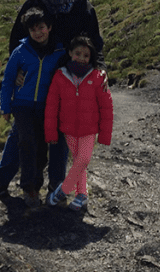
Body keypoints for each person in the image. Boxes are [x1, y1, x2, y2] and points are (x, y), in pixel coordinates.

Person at [0, 0, 104, 199]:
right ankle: (1, 179)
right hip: (35, 77)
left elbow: (95, 43)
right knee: (22, 132)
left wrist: (99, 72)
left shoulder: (83, 5)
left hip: (69, 80)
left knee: (59, 132)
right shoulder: (36, 1)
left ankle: (56, 188)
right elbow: (17, 38)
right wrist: (16, 69)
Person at [0, 8, 67, 206]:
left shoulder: (59, 52)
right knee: (26, 142)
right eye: (33, 29)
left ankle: (37, 184)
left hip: (46, 107)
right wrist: (5, 106)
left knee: (41, 148)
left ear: (49, 27)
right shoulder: (20, 51)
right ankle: (29, 188)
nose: (38, 33)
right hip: (22, 106)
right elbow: (8, 80)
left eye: (41, 28)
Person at [44, 36, 114, 212]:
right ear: (70, 53)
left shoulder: (98, 77)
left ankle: (63, 190)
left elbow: (106, 108)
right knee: (78, 162)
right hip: (68, 129)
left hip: (89, 129)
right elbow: (52, 106)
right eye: (77, 53)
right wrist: (51, 133)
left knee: (83, 159)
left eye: (86, 55)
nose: (81, 58)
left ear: (91, 58)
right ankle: (82, 195)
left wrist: (105, 134)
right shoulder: (60, 76)